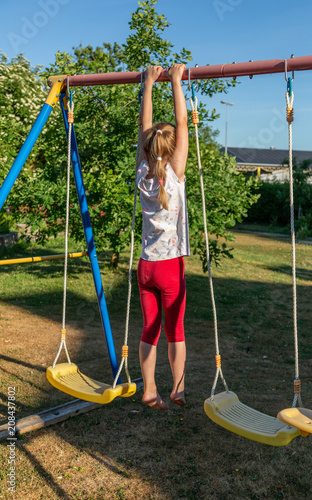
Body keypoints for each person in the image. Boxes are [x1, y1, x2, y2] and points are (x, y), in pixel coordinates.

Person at [136, 63, 190, 410]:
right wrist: (175, 80)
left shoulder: (143, 172)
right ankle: (179, 390)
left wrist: (148, 84)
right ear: (171, 152)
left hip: (145, 267)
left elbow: (146, 125)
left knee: (148, 330)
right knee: (176, 331)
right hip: (170, 268)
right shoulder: (175, 174)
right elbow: (183, 123)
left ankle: (150, 389)